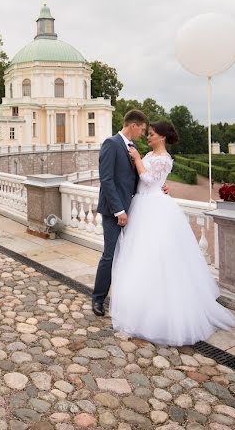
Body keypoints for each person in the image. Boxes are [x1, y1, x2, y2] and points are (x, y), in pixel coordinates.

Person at [110, 120, 235, 345]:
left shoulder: (163, 158)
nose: (148, 137)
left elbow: (148, 178)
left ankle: (163, 313)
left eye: (151, 134)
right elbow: (150, 181)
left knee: (160, 258)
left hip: (154, 208)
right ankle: (141, 305)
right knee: (141, 258)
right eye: (147, 133)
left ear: (161, 137)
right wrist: (147, 167)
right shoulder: (149, 155)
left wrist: (139, 160)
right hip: (143, 205)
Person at [91, 110, 149, 316]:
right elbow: (106, 180)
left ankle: (128, 298)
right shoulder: (111, 143)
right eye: (142, 130)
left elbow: (134, 179)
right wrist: (119, 210)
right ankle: (98, 299)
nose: (142, 134)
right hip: (113, 211)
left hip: (131, 209)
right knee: (109, 255)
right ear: (133, 125)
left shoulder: (133, 148)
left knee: (132, 255)